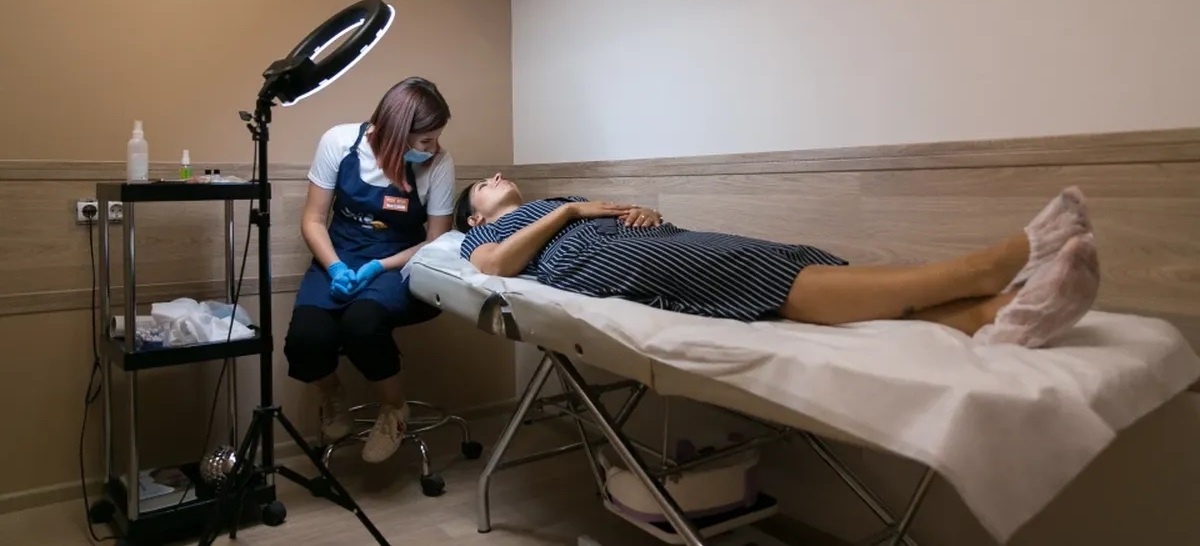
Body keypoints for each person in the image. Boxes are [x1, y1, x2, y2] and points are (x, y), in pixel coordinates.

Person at [452, 175, 1100, 349]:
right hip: (611, 265)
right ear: (476, 216)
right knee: (750, 270)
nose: (498, 178)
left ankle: (995, 314)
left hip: (653, 242)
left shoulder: (558, 200)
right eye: (484, 183)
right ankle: (983, 269)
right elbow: (497, 268)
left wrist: (640, 212)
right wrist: (569, 212)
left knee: (775, 257)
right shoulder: (482, 236)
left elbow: (627, 215)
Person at [284, 77, 454, 464]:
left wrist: (379, 265)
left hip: (401, 262)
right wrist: (335, 267)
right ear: (395, 133)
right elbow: (313, 219)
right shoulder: (339, 143)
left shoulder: (438, 164)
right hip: (338, 256)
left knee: (362, 325)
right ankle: (332, 394)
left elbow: (435, 241)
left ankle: (394, 408)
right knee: (305, 342)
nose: (433, 149)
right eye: (425, 141)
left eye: (436, 139)